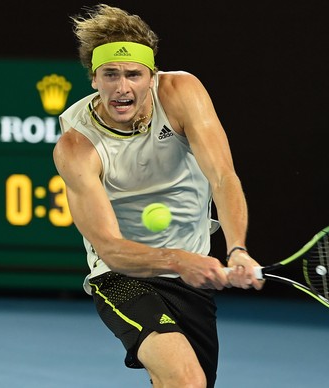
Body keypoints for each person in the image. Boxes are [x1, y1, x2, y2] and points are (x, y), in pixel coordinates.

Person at [53, 4, 264, 387]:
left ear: (152, 76)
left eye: (134, 74)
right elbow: (111, 248)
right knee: (187, 380)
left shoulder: (182, 92)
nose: (122, 87)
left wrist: (237, 248)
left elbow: (223, 176)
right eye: (110, 75)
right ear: (93, 80)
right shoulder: (76, 145)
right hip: (123, 275)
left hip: (189, 278)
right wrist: (179, 260)